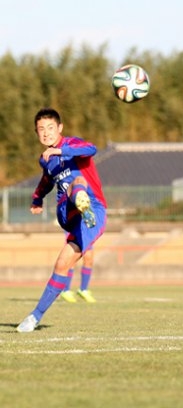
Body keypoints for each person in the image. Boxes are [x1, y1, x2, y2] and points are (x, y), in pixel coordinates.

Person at [17, 108, 107, 332]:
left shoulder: (72, 145)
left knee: (61, 265)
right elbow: (46, 181)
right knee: (76, 183)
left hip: (95, 212)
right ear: (37, 133)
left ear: (60, 128)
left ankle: (34, 317)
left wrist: (61, 150)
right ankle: (80, 201)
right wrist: (37, 200)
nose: (46, 133)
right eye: (41, 129)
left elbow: (92, 148)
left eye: (50, 128)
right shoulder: (46, 159)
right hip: (67, 210)